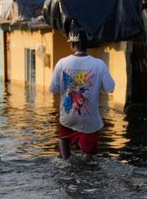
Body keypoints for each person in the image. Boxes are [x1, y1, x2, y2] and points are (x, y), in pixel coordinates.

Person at [48, 28, 116, 163]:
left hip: (68, 117)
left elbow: (53, 89)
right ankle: (82, 168)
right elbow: (110, 88)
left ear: (72, 45)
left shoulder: (62, 63)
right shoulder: (99, 64)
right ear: (87, 45)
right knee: (88, 156)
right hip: (89, 121)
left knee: (63, 138)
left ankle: (66, 163)